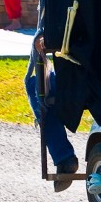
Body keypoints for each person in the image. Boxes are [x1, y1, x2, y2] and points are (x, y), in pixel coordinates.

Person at [25, 33, 79, 192]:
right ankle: (63, 157)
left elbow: (44, 38)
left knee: (35, 85)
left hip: (79, 79)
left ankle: (64, 157)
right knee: (45, 89)